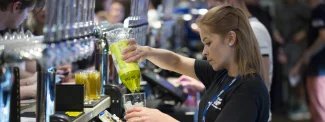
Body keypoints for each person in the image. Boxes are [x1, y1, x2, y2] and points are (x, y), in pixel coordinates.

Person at [123, 5, 269, 122]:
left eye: (208, 43)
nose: (205, 52)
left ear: (231, 38)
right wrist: (147, 52)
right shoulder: (222, 73)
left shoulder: (249, 91)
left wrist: (162, 119)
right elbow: (176, 62)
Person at [290, 0, 325, 121]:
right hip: (318, 67)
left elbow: (323, 37)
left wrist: (308, 54)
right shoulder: (317, 11)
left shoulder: (319, 10)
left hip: (318, 68)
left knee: (319, 109)